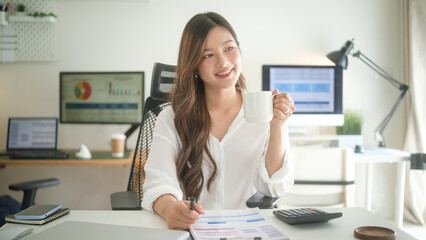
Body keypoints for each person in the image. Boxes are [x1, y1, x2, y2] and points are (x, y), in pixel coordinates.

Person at [142, 12, 295, 230]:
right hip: (192, 232)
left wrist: (278, 126)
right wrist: (171, 209)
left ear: (239, 50)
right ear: (193, 64)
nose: (223, 62)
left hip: (247, 232)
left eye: (229, 48)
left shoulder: (263, 112)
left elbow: (274, 187)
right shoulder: (172, 117)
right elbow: (158, 183)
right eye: (207, 55)